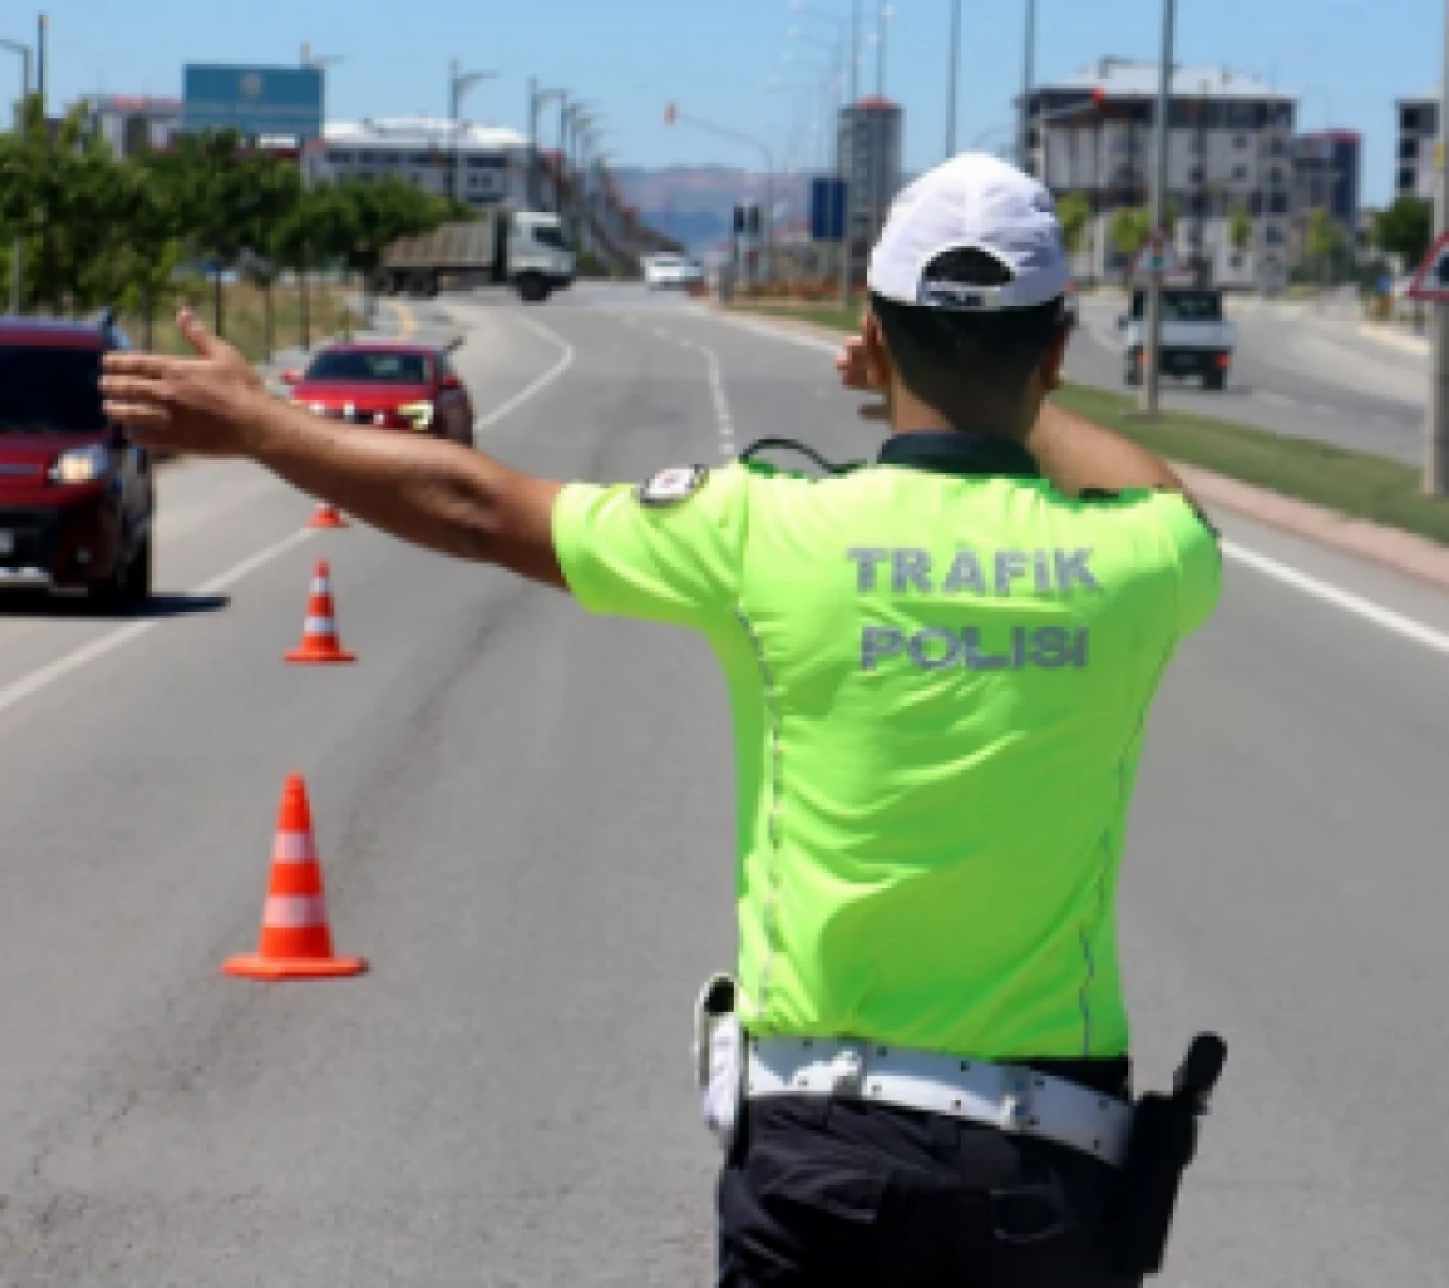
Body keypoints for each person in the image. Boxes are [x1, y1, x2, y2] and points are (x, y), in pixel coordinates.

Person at [101, 153, 1222, 1287]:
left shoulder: (763, 531)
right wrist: (1024, 404)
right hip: (1044, 1178)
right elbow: (1165, 497)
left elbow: (479, 508)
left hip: (819, 1165)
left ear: (873, 336)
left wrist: (262, 424)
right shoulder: (1134, 560)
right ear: (1055, 350)